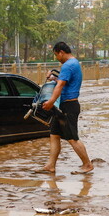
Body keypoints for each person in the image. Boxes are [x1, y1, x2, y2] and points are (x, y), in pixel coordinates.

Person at [41, 42, 93, 174]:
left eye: (56, 55)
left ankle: (87, 164)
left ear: (61, 52)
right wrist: (53, 77)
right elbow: (61, 81)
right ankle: (50, 166)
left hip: (69, 106)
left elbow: (60, 86)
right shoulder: (73, 63)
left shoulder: (68, 65)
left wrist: (51, 101)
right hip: (64, 106)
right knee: (54, 135)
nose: (56, 58)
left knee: (72, 138)